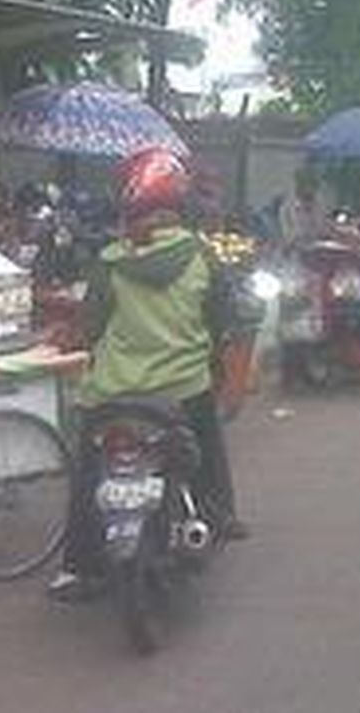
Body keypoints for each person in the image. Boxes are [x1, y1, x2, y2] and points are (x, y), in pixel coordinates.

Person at [50, 147, 248, 601]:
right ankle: (217, 514)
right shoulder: (202, 256)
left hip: (113, 395)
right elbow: (223, 318)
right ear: (179, 205)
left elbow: (92, 327)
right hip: (182, 390)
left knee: (89, 473)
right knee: (206, 438)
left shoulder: (110, 261)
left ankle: (79, 568)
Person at [280, 167, 326, 252]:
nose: (310, 189)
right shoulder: (287, 207)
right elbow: (288, 235)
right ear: (300, 185)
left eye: (313, 185)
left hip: (318, 248)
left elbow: (322, 228)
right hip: (296, 249)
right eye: (307, 185)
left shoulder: (320, 205)